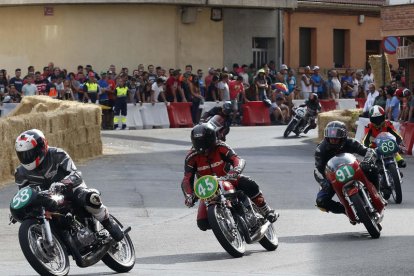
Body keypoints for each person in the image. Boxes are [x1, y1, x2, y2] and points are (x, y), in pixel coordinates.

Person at [14, 129, 124, 241]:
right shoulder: (20, 173)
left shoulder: (57, 154)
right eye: (23, 155)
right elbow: (24, 193)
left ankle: (108, 223)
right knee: (34, 219)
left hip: (70, 190)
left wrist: (63, 183)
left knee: (90, 198)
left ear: (41, 147)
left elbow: (75, 174)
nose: (27, 157)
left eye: (29, 153)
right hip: (47, 201)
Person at [181, 123, 278, 231]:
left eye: (206, 143)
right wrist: (189, 196)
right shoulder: (191, 157)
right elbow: (187, 179)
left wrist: (235, 170)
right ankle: (225, 225)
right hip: (209, 188)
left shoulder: (221, 147)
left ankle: (266, 209)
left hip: (229, 178)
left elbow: (237, 159)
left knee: (249, 184)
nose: (205, 150)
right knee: (202, 223)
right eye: (199, 143)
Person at [314, 121, 382, 215]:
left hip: (353, 169)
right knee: (321, 201)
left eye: (336, 138)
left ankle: (377, 193)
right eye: (331, 138)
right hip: (333, 176)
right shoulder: (320, 149)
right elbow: (317, 169)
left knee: (371, 168)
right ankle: (346, 210)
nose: (333, 140)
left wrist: (367, 161)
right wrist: (323, 182)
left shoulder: (350, 142)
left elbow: (369, 151)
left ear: (343, 137)